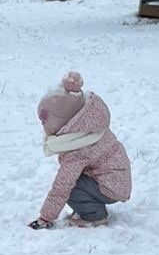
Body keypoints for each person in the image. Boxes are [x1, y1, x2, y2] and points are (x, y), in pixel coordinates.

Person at [29, 69, 131, 229]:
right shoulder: (89, 129)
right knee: (75, 183)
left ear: (63, 124)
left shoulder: (77, 148)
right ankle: (88, 206)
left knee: (72, 186)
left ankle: (96, 216)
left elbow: (62, 186)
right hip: (116, 180)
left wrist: (45, 217)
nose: (43, 126)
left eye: (45, 122)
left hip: (110, 186)